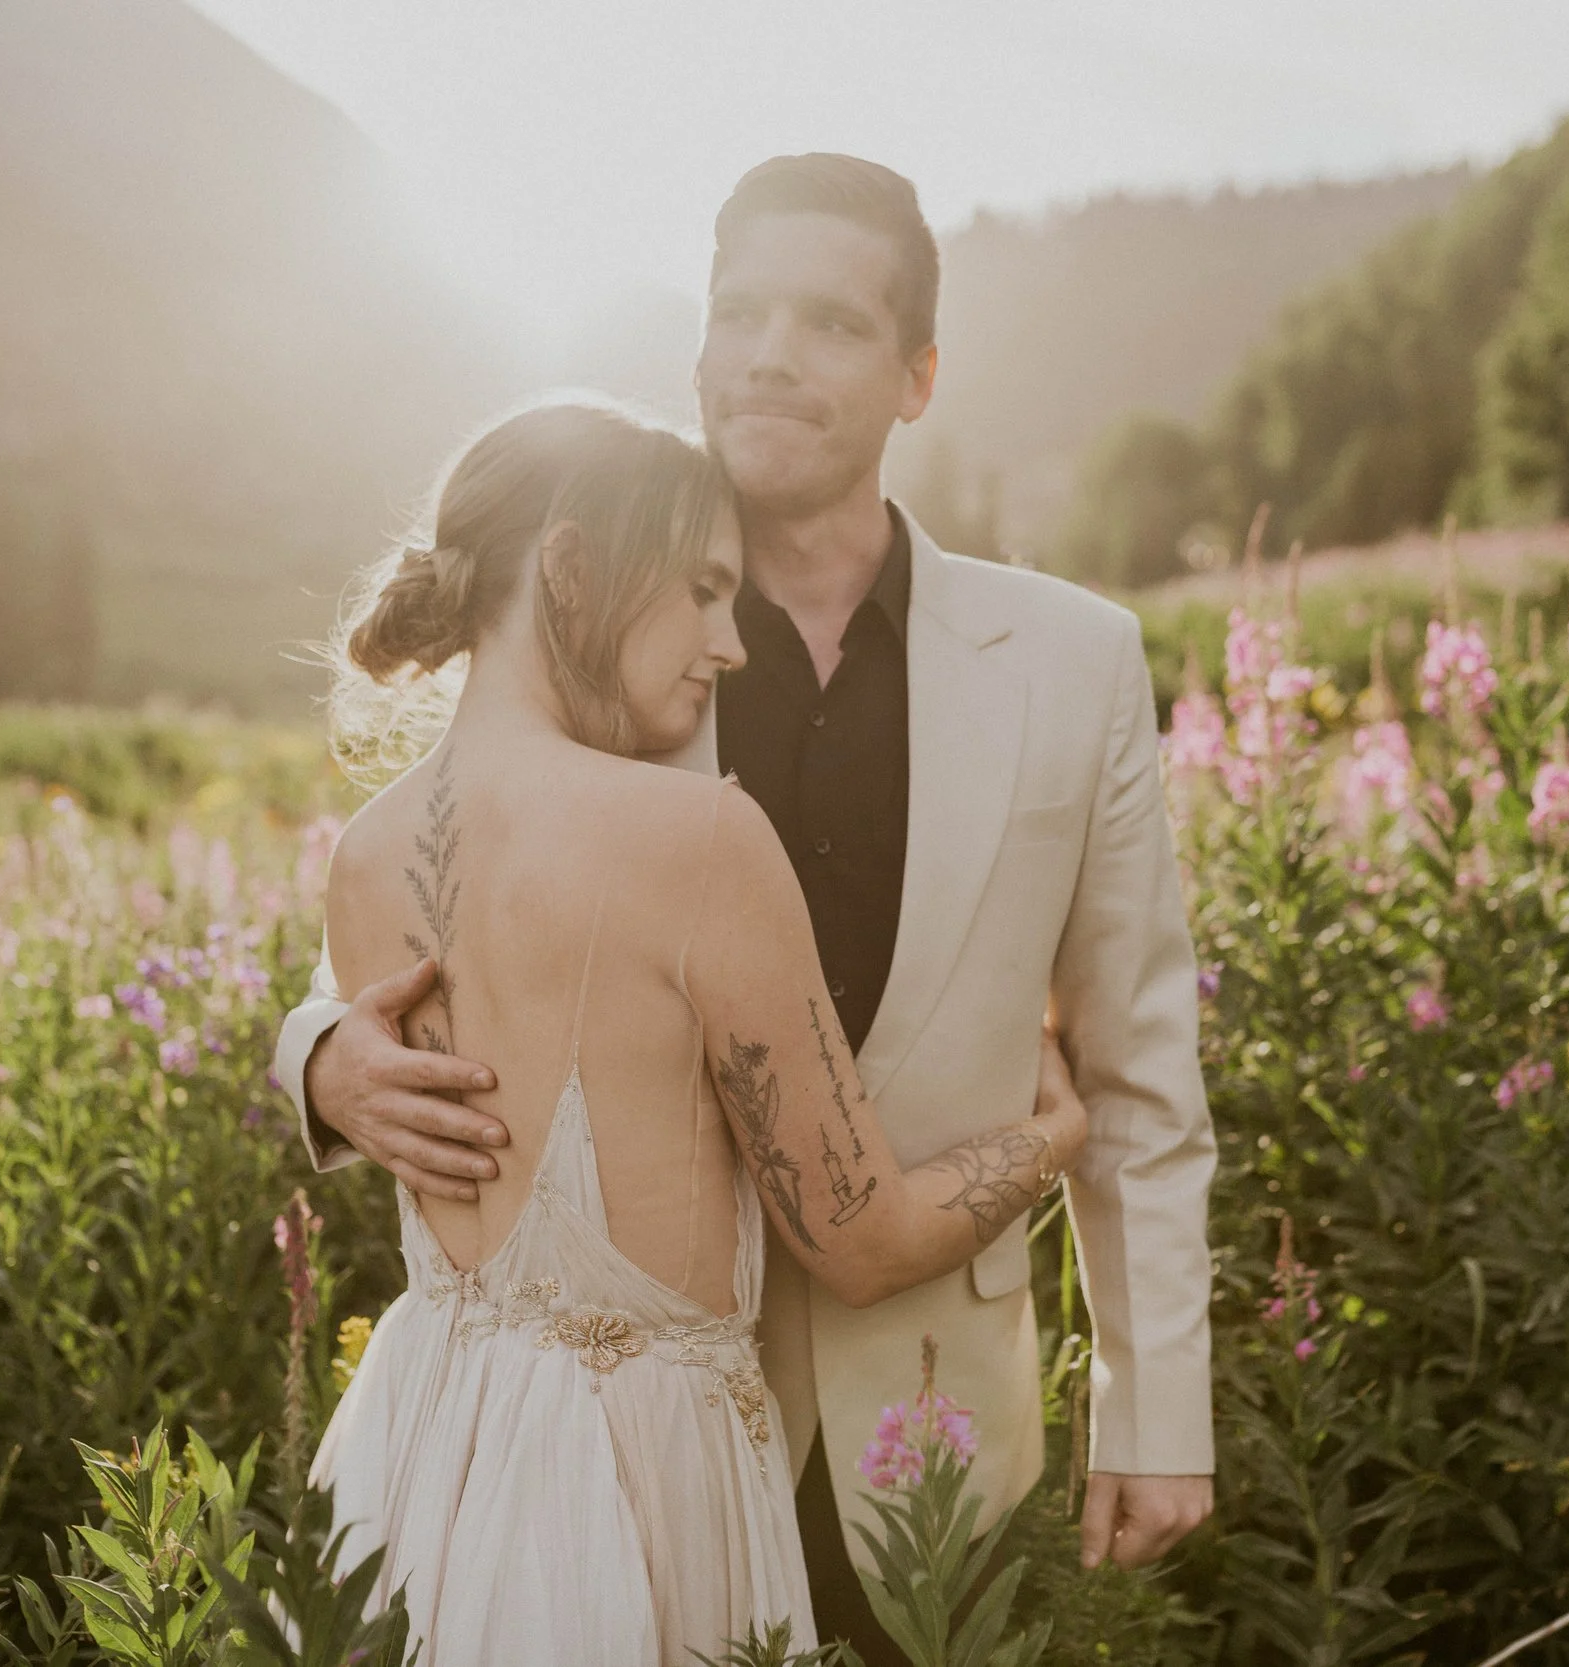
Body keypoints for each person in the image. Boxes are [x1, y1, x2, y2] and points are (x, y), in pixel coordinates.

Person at [278, 155, 1219, 1662]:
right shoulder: (612, 618)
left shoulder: (1076, 660)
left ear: (920, 375)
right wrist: (321, 1054)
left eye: (834, 323)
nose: (774, 351)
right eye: (740, 312)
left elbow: (1144, 1066)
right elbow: (463, 889)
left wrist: (1155, 1406)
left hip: (937, 1422)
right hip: (649, 1448)